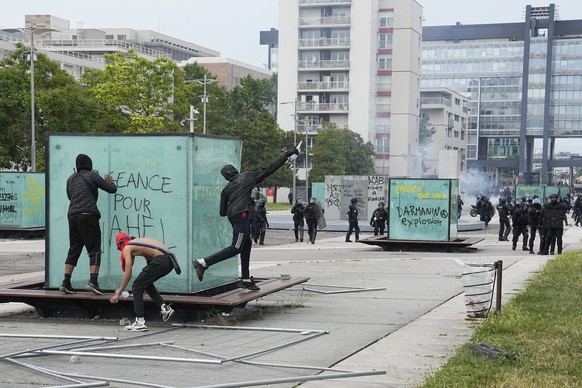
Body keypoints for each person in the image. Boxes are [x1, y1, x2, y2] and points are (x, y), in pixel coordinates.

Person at [191, 146, 300, 291]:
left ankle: (246, 279)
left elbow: (222, 213)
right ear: (235, 171)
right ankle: (203, 262)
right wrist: (286, 154)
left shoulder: (226, 190)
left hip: (235, 217)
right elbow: (269, 169)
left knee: (246, 244)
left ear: (226, 177)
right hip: (242, 215)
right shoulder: (247, 177)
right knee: (236, 247)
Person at [59, 154, 117, 295]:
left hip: (73, 216)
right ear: (89, 164)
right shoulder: (92, 175)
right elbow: (111, 189)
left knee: (74, 248)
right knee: (94, 248)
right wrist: (110, 181)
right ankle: (93, 282)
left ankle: (66, 282)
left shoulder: (70, 179)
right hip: (88, 215)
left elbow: (70, 196)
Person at [110, 233, 176, 332]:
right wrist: (145, 286)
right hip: (170, 261)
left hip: (161, 260)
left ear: (120, 243)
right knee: (145, 283)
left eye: (119, 249)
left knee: (136, 286)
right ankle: (164, 308)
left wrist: (118, 293)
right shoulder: (138, 242)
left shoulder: (127, 247)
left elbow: (128, 273)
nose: (121, 252)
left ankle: (140, 321)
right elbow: (150, 262)